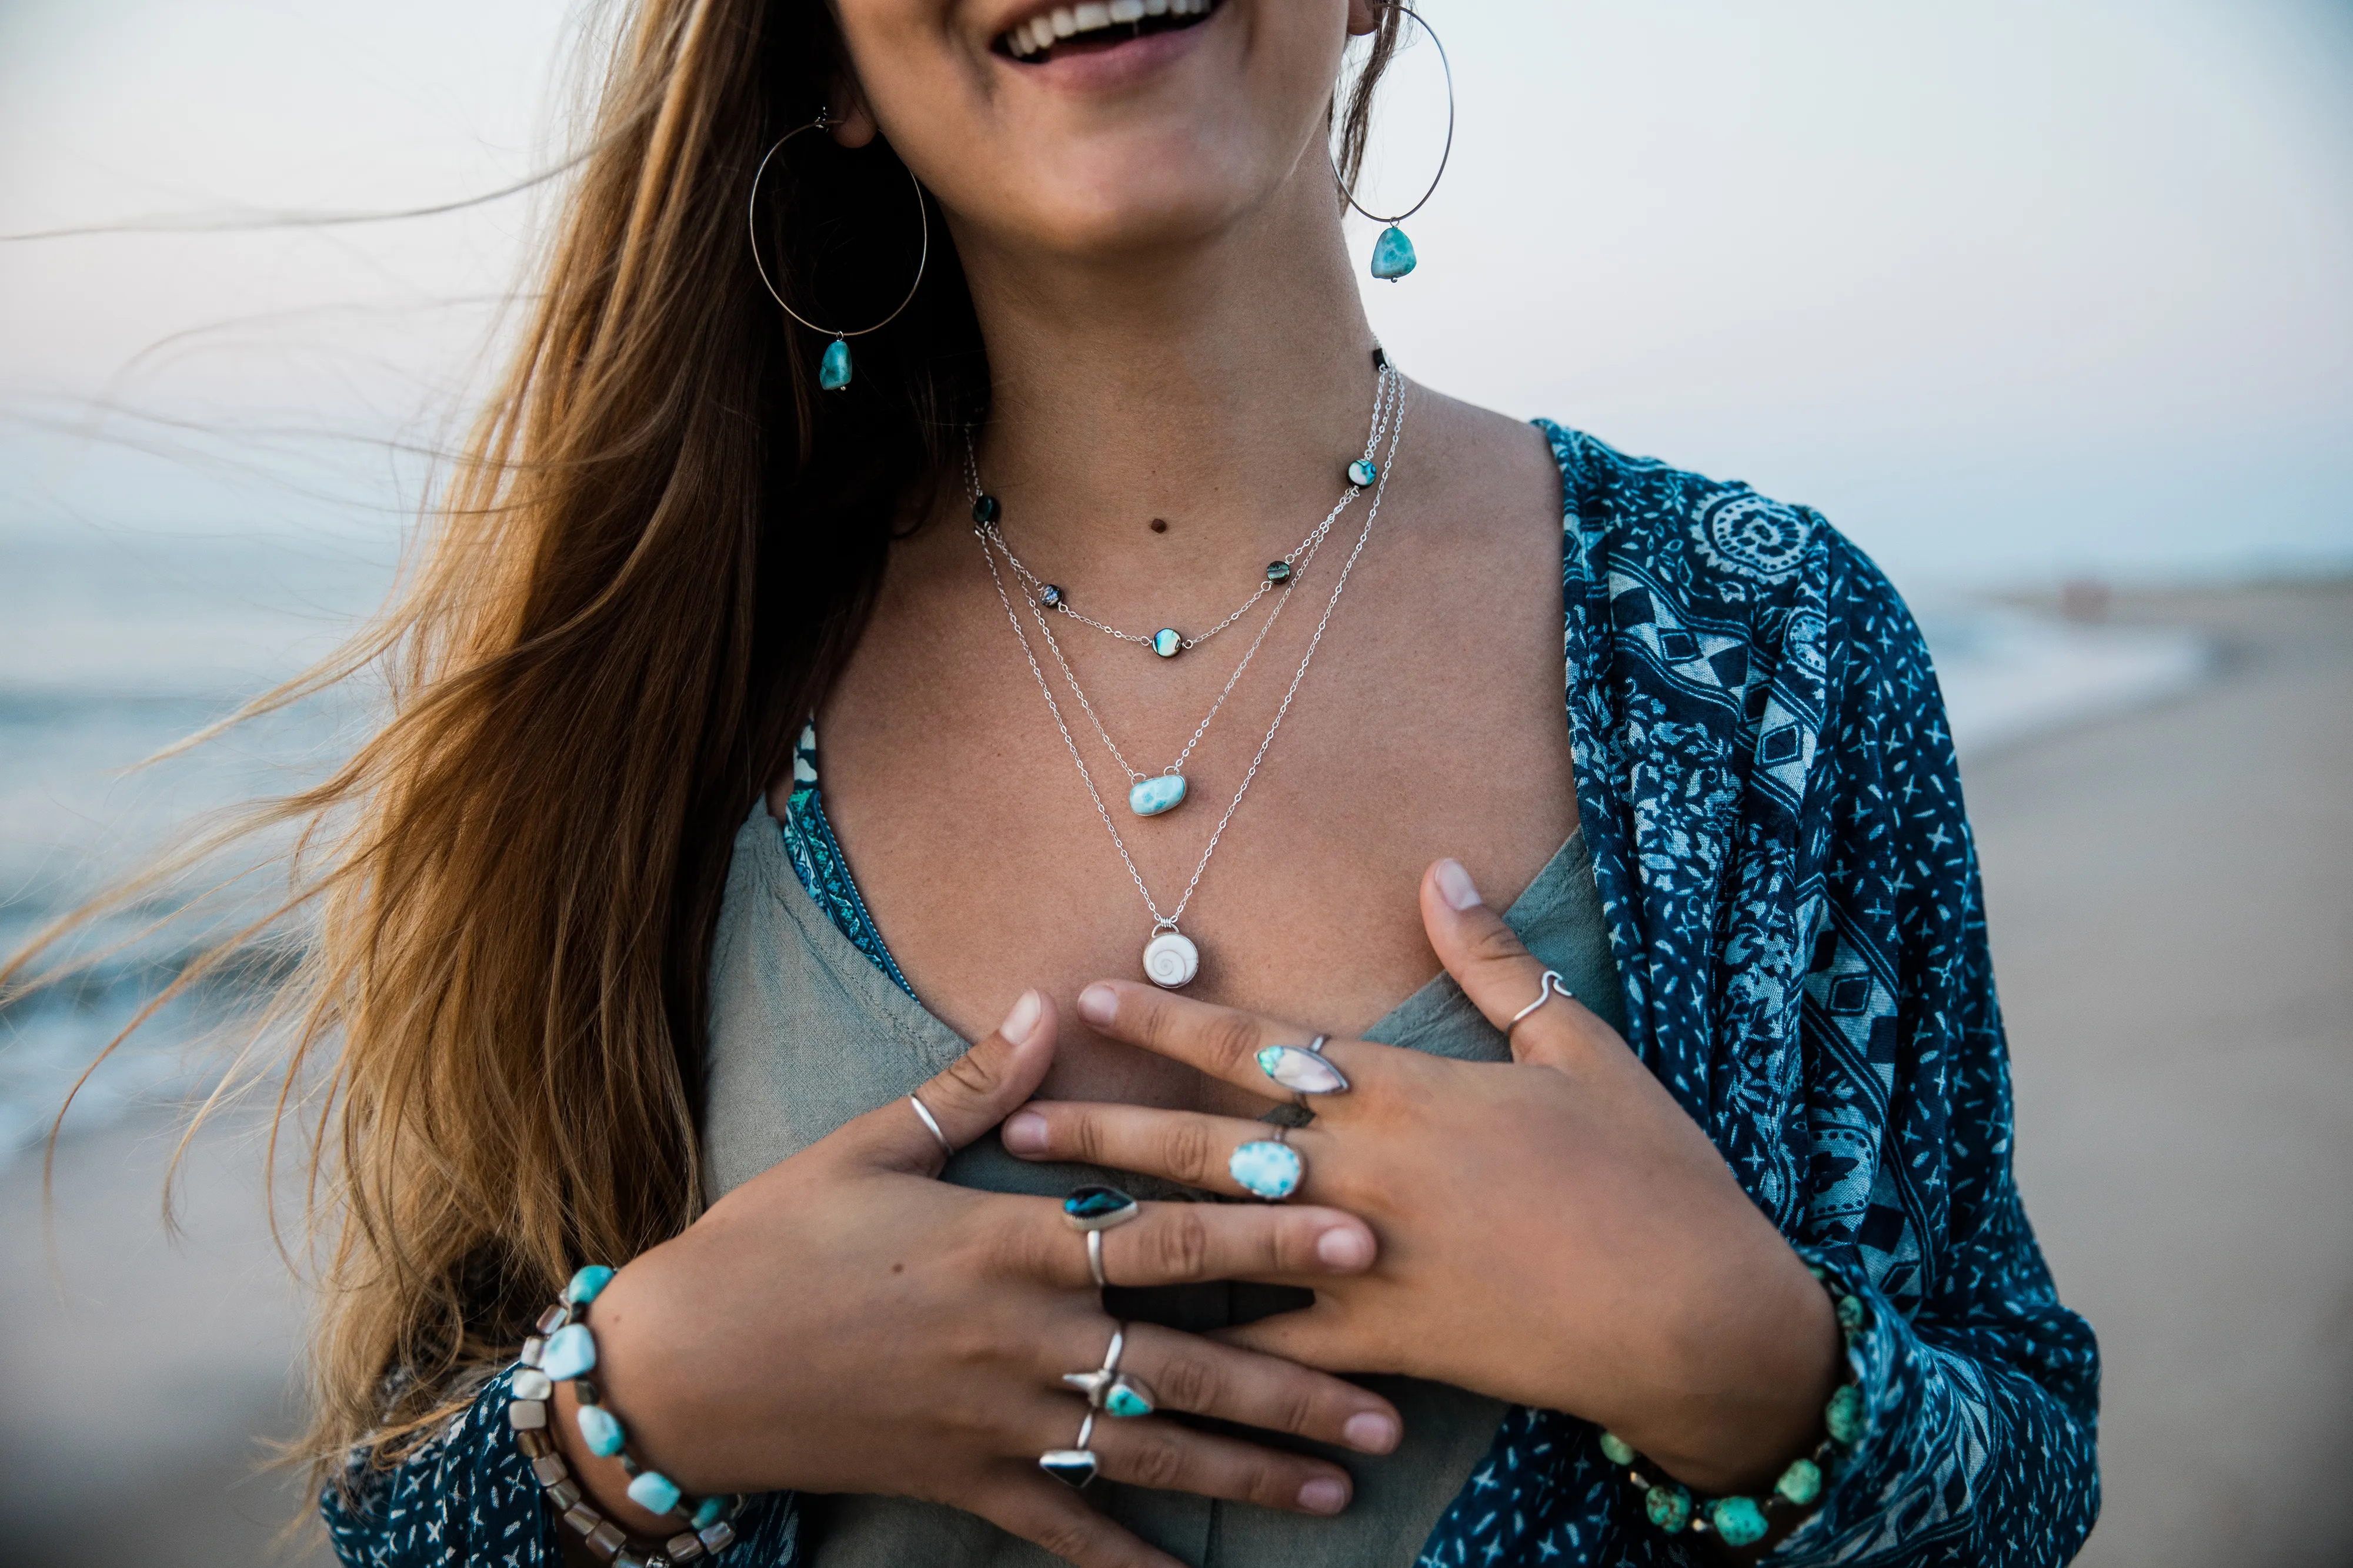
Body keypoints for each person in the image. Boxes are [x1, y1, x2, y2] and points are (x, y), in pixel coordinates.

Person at [261, 2, 2101, 1565]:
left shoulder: (1762, 638)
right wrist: (638, 1411)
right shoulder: (663, 687)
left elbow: (2025, 1476)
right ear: (831, 54)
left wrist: (1736, 1364)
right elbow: (396, 1491)